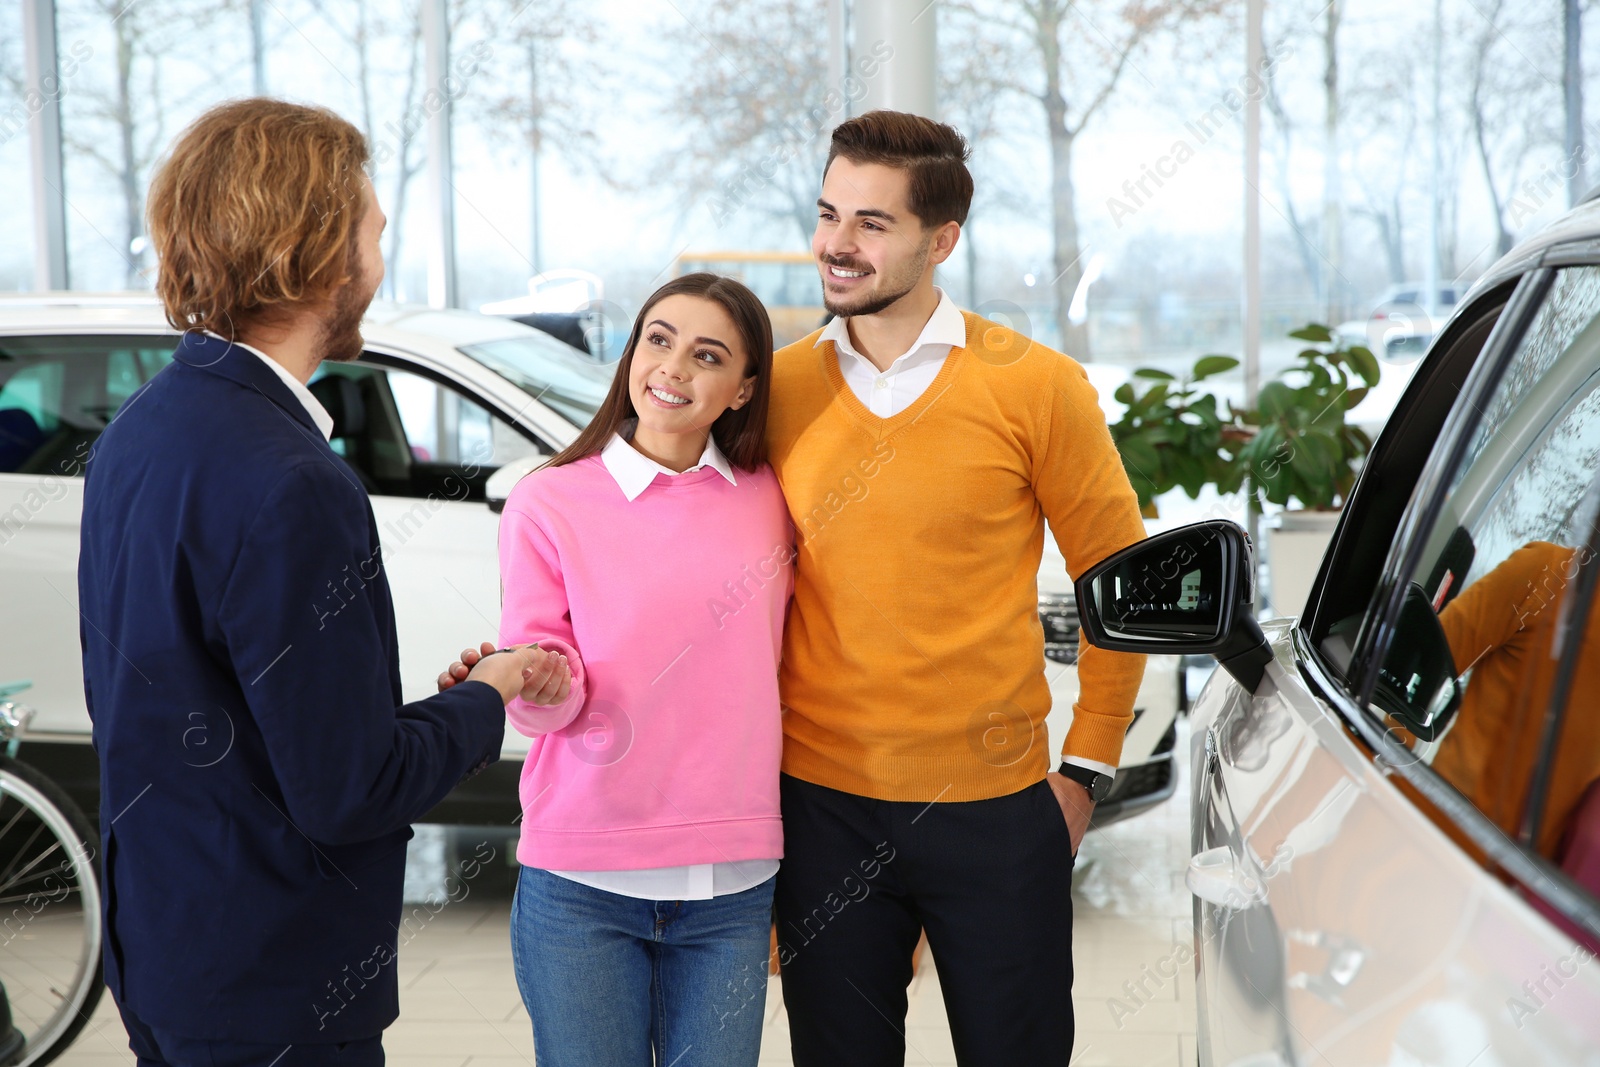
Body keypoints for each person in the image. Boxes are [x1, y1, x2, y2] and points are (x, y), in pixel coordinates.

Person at [77, 98, 569, 1065]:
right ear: (318, 252)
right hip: (273, 977)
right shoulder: (295, 481)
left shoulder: (141, 430)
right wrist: (492, 691)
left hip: (163, 946)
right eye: (375, 234)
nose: (380, 267)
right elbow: (352, 789)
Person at [764, 110, 1149, 1066]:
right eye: (828, 214)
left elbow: (1120, 579)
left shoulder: (1037, 387)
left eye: (871, 223)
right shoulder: (774, 392)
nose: (837, 246)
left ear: (941, 241)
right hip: (821, 810)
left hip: (995, 808)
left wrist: (1088, 769)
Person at [441, 273, 791, 1067]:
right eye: (658, 339)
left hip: (732, 883)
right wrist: (539, 682)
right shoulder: (550, 501)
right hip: (582, 879)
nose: (672, 367)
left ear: (742, 390)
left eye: (707, 355)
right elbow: (541, 678)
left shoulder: (773, 500)